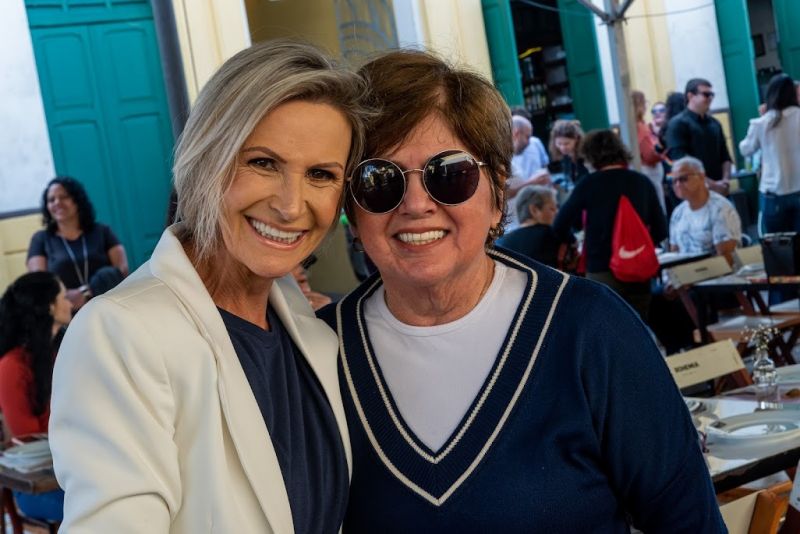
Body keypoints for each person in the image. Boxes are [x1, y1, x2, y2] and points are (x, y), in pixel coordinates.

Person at [321, 49, 724, 532]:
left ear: (497, 193)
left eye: (449, 174)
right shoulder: (316, 353)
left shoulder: (589, 328)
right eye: (379, 179)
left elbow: (688, 521)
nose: (415, 204)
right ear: (351, 209)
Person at [49, 40, 368, 532]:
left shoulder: (314, 334)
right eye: (263, 163)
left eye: (321, 174)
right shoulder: (119, 332)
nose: (291, 205)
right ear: (205, 159)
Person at [553, 129, 667, 319]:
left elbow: (559, 225)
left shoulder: (588, 184)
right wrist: (636, 247)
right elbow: (661, 229)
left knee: (607, 326)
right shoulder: (642, 182)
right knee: (638, 325)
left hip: (602, 268)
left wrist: (573, 241)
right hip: (639, 270)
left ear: (590, 156)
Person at [0, 272, 71, 522]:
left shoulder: (61, 351)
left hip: (73, 471)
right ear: (50, 307)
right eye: (64, 297)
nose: (70, 303)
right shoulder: (12, 366)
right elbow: (27, 440)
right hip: (37, 485)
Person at [27, 177, 128, 311]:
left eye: (64, 197)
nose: (57, 203)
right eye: (51, 200)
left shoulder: (102, 231)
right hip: (66, 312)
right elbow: (38, 283)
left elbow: (122, 270)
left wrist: (87, 293)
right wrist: (65, 298)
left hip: (108, 307)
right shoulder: (41, 239)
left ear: (78, 200)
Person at [739, 73, 800, 233]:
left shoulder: (763, 123)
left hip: (774, 191)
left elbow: (746, 149)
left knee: (777, 241)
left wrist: (763, 116)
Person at [669, 156, 742, 264]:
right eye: (674, 181)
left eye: (683, 179)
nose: (678, 184)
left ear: (701, 177)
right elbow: (674, 254)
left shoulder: (721, 209)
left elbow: (726, 260)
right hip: (687, 272)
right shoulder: (678, 213)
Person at [665, 78, 732, 195]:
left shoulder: (715, 123)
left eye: (712, 95)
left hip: (720, 189)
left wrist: (725, 181)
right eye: (706, 94)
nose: (710, 98)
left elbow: (725, 156)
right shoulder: (677, 124)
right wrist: (712, 184)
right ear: (691, 96)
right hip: (693, 192)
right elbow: (681, 161)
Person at [496, 185, 562, 267]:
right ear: (534, 210)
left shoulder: (499, 242)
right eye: (552, 209)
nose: (557, 213)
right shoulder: (549, 234)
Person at [506, 115, 550, 230]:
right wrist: (532, 182)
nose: (529, 142)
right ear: (516, 133)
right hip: (511, 228)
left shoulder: (509, 156)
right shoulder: (498, 158)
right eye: (527, 137)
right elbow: (500, 195)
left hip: (522, 223)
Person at [632, 90, 666, 212]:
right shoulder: (641, 127)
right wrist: (662, 150)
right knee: (657, 209)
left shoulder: (630, 126)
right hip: (649, 173)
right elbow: (649, 156)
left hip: (640, 172)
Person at [547, 119, 589, 186]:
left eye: (566, 143)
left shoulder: (586, 157)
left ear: (576, 139)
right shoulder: (566, 156)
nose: (562, 148)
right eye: (559, 144)